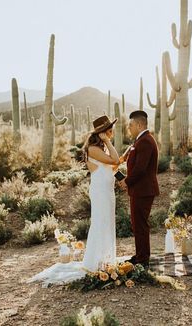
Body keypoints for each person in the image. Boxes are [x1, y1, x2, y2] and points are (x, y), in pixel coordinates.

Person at [27, 115, 120, 287]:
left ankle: (105, 260)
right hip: (100, 192)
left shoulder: (101, 149)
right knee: (101, 223)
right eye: (108, 130)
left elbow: (113, 166)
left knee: (108, 223)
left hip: (107, 191)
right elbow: (115, 160)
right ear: (101, 133)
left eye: (111, 129)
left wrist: (122, 171)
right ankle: (95, 263)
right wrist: (108, 142)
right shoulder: (93, 149)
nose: (111, 132)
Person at [119, 110, 159, 269]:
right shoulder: (140, 140)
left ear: (139, 124)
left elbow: (140, 168)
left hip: (143, 190)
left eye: (131, 125)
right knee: (138, 224)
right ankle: (140, 255)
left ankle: (143, 259)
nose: (129, 128)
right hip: (140, 189)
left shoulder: (145, 141)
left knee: (140, 224)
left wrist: (126, 181)